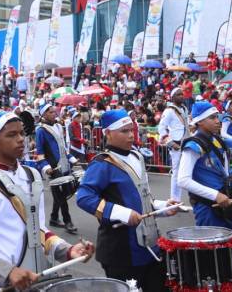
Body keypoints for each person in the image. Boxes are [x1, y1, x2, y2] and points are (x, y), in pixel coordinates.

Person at [0, 111, 94, 292]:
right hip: (3, 286)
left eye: (22, 133)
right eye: (11, 135)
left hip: (40, 280)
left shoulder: (33, 175)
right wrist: (8, 272)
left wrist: (67, 251)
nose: (21, 139)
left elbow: (39, 230)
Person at [76, 109, 178, 291]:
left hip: (150, 244)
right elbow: (84, 197)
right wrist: (122, 213)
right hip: (121, 250)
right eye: (124, 131)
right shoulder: (102, 163)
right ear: (108, 133)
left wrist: (163, 207)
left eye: (132, 130)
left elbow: (142, 198)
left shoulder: (137, 157)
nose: (131, 135)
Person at [177, 101, 232, 292]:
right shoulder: (193, 145)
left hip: (226, 206)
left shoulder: (216, 141)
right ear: (200, 122)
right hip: (209, 210)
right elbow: (182, 180)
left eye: (217, 116)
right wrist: (215, 195)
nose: (218, 121)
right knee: (216, 262)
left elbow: (226, 177)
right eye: (212, 118)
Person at [32, 104, 78, 234]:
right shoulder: (41, 130)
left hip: (63, 165)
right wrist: (46, 168)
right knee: (61, 197)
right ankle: (68, 221)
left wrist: (71, 159)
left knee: (61, 194)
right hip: (53, 168)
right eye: (51, 112)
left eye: (54, 112)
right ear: (44, 114)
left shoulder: (58, 126)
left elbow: (62, 147)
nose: (54, 114)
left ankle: (53, 218)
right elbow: (40, 153)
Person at [157, 88, 190, 201]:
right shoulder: (169, 111)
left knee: (188, 170)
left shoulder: (184, 109)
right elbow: (161, 128)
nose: (181, 96)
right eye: (178, 94)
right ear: (172, 97)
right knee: (176, 172)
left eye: (182, 94)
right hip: (176, 143)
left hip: (186, 142)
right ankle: (174, 199)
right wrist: (170, 143)